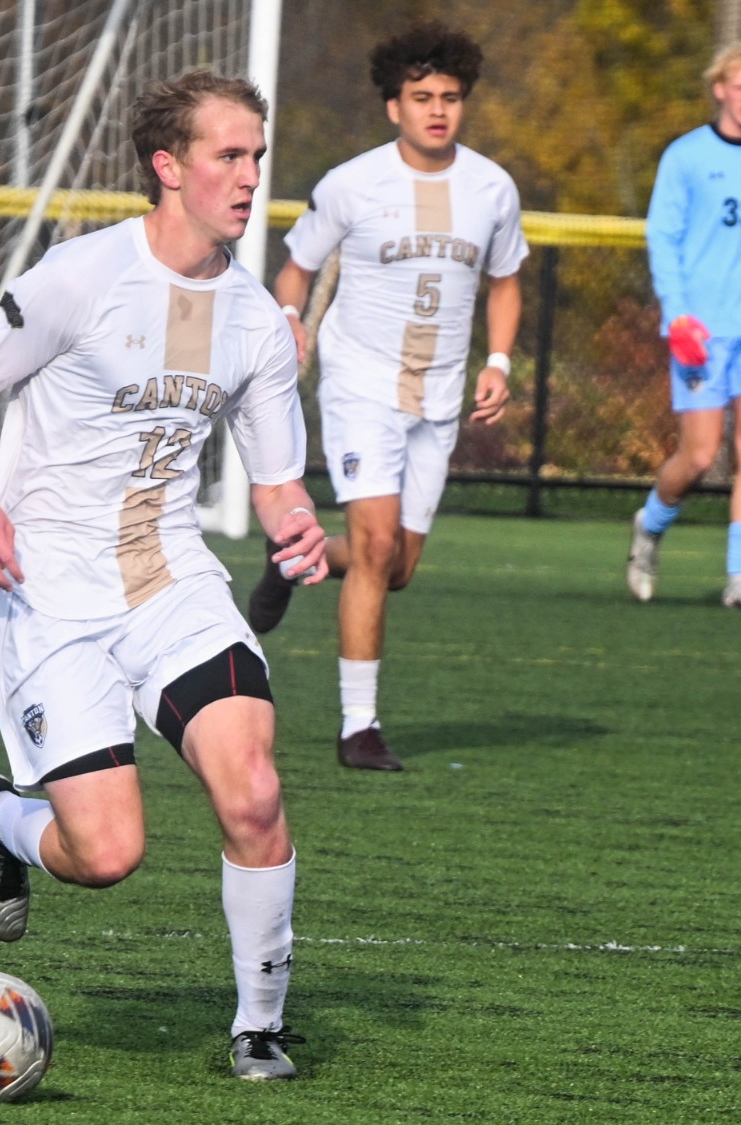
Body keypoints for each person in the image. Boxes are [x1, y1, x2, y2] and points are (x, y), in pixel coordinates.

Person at [0, 70, 328, 1082]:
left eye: (256, 156)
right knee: (105, 856)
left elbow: (276, 484)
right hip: (45, 587)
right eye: (227, 157)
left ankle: (257, 1028)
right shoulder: (81, 274)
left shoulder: (252, 321)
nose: (248, 177)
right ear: (168, 167)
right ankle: (2, 816)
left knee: (252, 791)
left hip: (168, 580)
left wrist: (296, 530)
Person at [247, 22, 526, 771]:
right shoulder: (351, 184)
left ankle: (290, 561)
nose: (438, 110)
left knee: (395, 567)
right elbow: (296, 270)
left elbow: (505, 282)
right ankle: (358, 728)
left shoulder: (493, 188)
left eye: (451, 97)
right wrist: (290, 323)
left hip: (438, 399)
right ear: (392, 106)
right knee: (373, 545)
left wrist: (497, 359)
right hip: (361, 384)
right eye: (421, 96)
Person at [629, 42, 741, 614]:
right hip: (701, 328)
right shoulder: (685, 157)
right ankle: (650, 527)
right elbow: (664, 237)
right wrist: (675, 311)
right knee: (700, 456)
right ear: (720, 89)